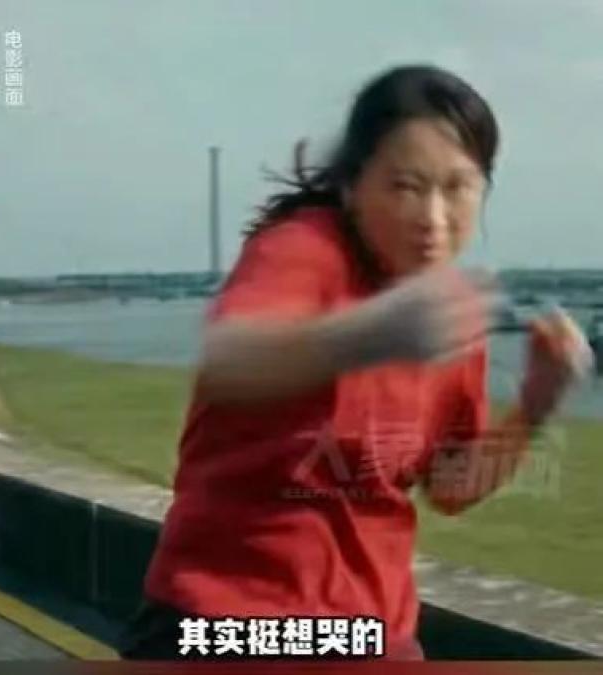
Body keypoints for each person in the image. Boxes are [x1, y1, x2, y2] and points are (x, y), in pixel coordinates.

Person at [120, 64, 593, 661]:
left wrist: (534, 406)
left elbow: (449, 485)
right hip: (225, 618)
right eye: (406, 186)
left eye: (458, 187)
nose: (433, 218)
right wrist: (376, 332)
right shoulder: (306, 246)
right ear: (351, 187)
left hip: (367, 631)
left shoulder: (445, 309)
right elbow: (229, 356)